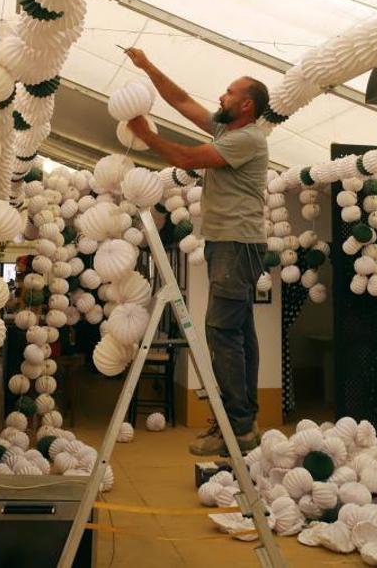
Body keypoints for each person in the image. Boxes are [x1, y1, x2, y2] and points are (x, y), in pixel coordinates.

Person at [124, 47, 269, 455]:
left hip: (237, 245)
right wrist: (147, 65)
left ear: (245, 104)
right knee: (239, 332)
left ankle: (236, 425)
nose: (220, 97)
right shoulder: (227, 128)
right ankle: (243, 421)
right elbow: (182, 100)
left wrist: (146, 135)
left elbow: (188, 156)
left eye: (228, 93)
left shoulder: (245, 138)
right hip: (232, 243)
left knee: (222, 331)